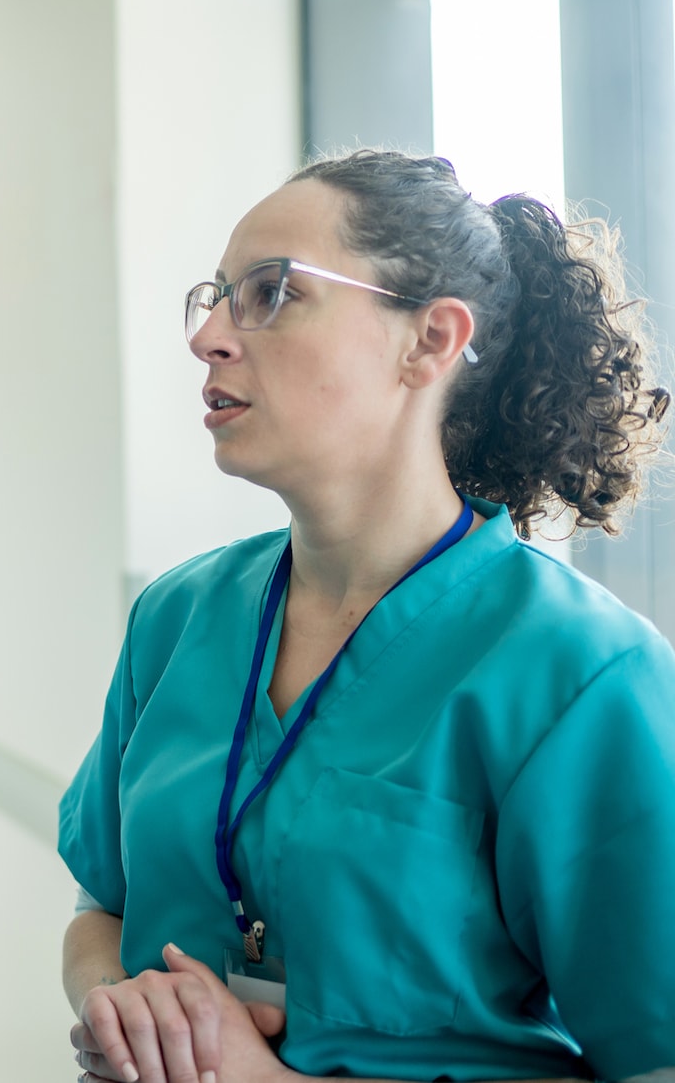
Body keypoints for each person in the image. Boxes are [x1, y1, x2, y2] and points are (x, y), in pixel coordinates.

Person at [59, 151, 675, 1083]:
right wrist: (125, 1008)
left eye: (272, 293)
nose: (210, 337)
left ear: (429, 341)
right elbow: (99, 904)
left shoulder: (582, 670)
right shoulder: (175, 617)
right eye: (217, 296)